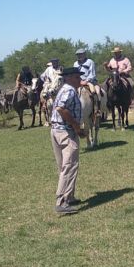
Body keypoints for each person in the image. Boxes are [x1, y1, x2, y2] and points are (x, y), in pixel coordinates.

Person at [49, 67, 87, 215]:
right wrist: (77, 127)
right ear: (70, 77)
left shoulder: (64, 89)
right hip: (66, 132)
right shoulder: (70, 90)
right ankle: (62, 202)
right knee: (69, 166)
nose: (80, 80)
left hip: (56, 131)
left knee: (63, 166)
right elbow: (61, 109)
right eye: (77, 77)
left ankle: (69, 197)